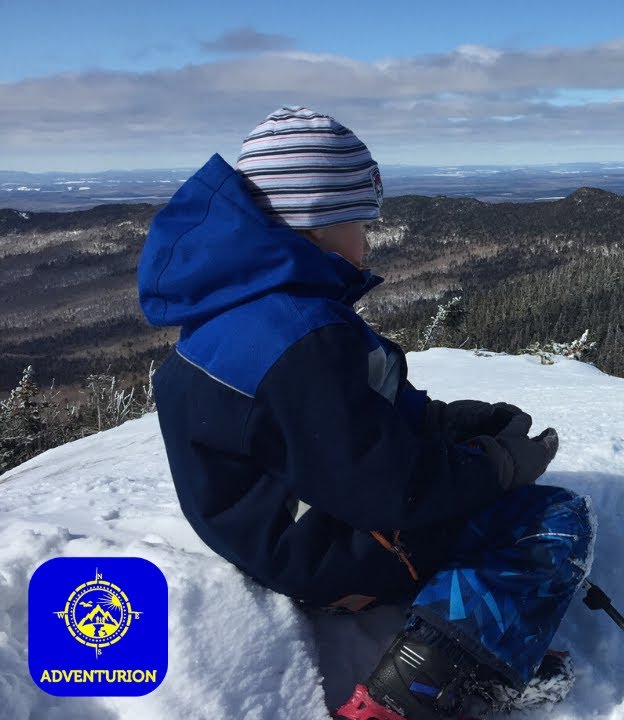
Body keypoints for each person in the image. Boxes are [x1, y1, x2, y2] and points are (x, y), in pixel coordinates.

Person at [138, 106, 594, 720]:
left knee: (476, 496)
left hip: (275, 522)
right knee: (551, 521)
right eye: (359, 222)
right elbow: (392, 491)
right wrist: (496, 467)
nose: (368, 241)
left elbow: (340, 425)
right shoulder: (301, 336)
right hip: (317, 547)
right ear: (318, 224)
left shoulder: (244, 310)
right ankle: (429, 687)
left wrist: (442, 423)